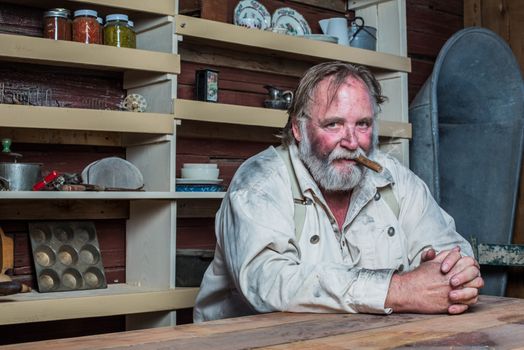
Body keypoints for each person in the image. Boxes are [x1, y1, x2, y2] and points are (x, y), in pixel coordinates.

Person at [193, 61, 483, 322]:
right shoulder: (259, 183)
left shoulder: (394, 178)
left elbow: (452, 250)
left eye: (363, 124)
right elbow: (265, 281)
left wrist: (456, 276)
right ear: (298, 128)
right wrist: (399, 290)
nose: (351, 141)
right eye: (333, 124)